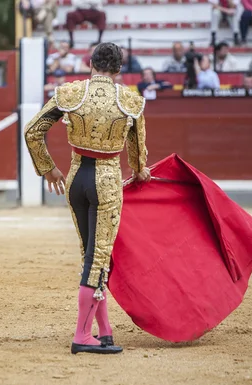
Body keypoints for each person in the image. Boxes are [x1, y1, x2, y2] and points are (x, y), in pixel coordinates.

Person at [24, 42, 150, 355]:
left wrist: (48, 168)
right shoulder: (131, 101)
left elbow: (32, 131)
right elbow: (136, 154)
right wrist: (140, 171)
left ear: (90, 63)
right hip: (106, 181)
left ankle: (104, 330)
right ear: (119, 69)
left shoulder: (71, 93)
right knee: (98, 257)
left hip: (76, 178)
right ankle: (82, 334)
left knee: (90, 255)